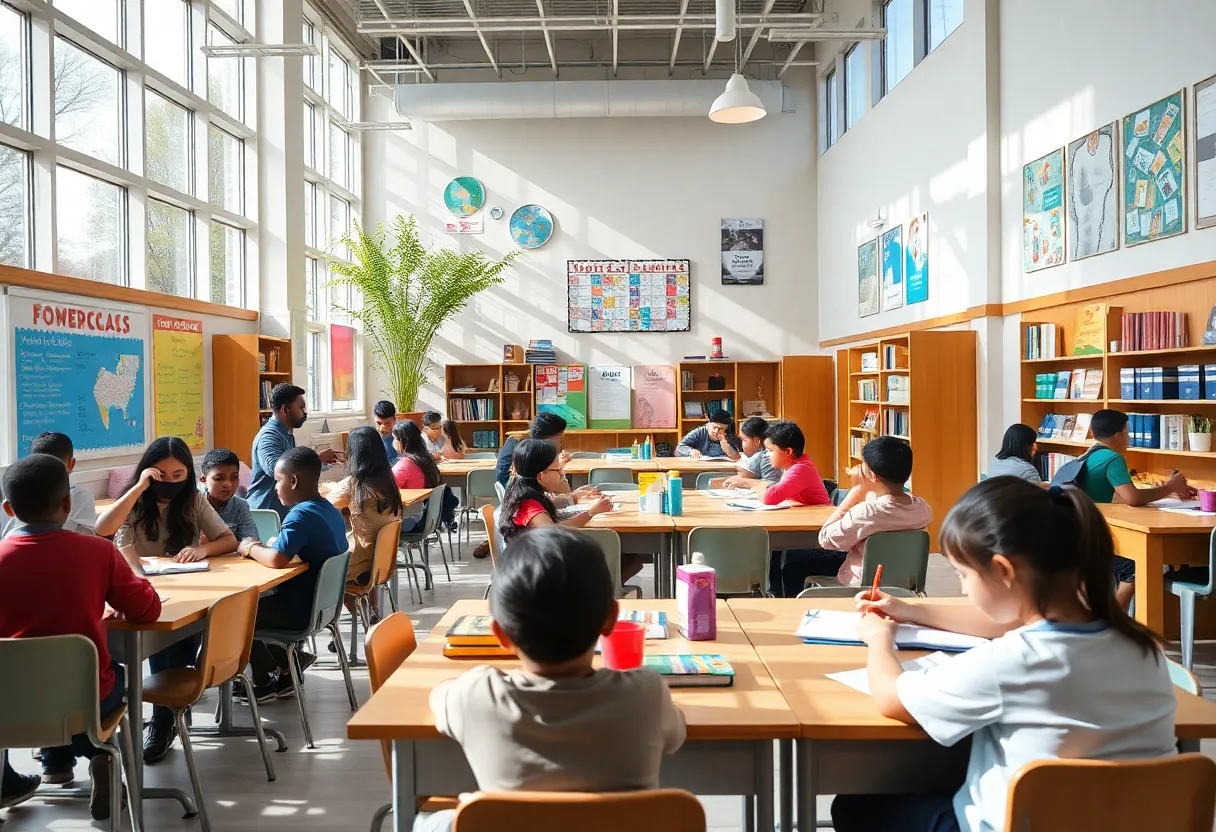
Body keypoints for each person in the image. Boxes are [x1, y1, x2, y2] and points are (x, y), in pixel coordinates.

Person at [832, 477, 1176, 832]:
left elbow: (891, 698)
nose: (962, 588)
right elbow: (1008, 624)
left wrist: (879, 640)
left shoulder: (1011, 661)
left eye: (963, 575)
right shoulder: (1142, 648)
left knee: (855, 806)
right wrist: (913, 611)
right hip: (1127, 821)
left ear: (1003, 571)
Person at [421, 527, 685, 832]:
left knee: (433, 823)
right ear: (611, 619)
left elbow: (439, 695)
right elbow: (676, 732)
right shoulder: (647, 695)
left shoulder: (475, 695)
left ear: (500, 635)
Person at [0, 454, 161, 818]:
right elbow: (147, 610)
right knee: (113, 675)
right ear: (68, 503)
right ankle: (102, 755)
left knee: (33, 679)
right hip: (84, 700)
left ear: (9, 509)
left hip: (7, 704)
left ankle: (54, 764)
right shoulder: (98, 552)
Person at [95, 437, 238, 763]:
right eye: (161, 474)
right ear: (147, 471)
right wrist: (139, 487)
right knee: (157, 641)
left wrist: (203, 548)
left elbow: (228, 540)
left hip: (185, 591)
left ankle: (164, 718)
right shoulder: (136, 500)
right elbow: (104, 529)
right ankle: (166, 717)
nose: (170, 482)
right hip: (139, 591)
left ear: (189, 474)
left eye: (178, 475)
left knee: (174, 643)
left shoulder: (192, 501)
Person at [237, 447, 348, 700]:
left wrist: (249, 547)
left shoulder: (300, 515)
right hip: (323, 607)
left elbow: (276, 559)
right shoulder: (328, 510)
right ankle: (289, 664)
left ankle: (266, 678)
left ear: (294, 480)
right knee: (252, 608)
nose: (275, 487)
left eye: (278, 480)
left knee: (237, 615)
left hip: (299, 609)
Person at [1076, 409, 1195, 608]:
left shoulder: (1088, 455)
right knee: (1137, 568)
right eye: (1127, 432)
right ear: (1118, 436)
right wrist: (1169, 487)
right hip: (1091, 541)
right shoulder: (1112, 458)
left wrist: (1167, 492)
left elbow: (1116, 496)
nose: (1129, 437)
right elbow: (1133, 498)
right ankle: (1111, 622)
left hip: (1078, 534)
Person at [815, 436, 932, 588]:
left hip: (861, 587)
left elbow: (825, 539)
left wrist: (854, 494)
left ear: (872, 475)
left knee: (793, 563)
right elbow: (890, 511)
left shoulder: (866, 513)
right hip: (905, 586)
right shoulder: (922, 508)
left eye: (863, 464)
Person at [497, 439, 615, 546]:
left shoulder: (522, 492)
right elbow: (553, 531)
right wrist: (591, 512)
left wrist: (576, 496)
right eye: (558, 469)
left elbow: (553, 501)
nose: (561, 472)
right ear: (540, 476)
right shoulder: (529, 506)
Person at [249, 383, 341, 519]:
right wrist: (316, 459)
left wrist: (320, 461)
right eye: (301, 407)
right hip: (267, 512)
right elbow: (277, 470)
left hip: (283, 510)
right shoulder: (269, 436)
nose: (305, 412)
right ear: (285, 409)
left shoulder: (286, 433)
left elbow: (295, 465)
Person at [326, 426, 402, 589]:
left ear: (354, 454)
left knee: (314, 570)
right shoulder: (389, 481)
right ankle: (369, 610)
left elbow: (324, 505)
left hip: (358, 563)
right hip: (381, 561)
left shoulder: (354, 484)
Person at [759, 421, 831, 506]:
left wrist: (755, 484)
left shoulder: (801, 469)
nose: (767, 455)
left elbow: (769, 498)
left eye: (770, 450)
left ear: (788, 451)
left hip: (819, 516)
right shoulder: (794, 465)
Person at [391, 420, 443, 533]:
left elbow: (388, 489)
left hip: (406, 520)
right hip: (423, 518)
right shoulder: (426, 460)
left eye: (395, 439)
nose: (393, 442)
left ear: (403, 441)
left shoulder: (406, 464)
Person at [200, 448, 259, 541]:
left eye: (234, 477)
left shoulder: (240, 506)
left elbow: (250, 541)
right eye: (219, 478)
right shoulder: (195, 505)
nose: (228, 484)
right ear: (204, 480)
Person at [722, 416, 780, 486]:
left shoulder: (766, 457)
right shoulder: (757, 454)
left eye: (744, 440)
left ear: (757, 441)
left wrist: (744, 482)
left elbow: (772, 485)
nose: (742, 445)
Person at [675, 409, 741, 459]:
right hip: (700, 468)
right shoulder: (699, 432)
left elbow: (736, 457)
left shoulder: (729, 435)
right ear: (708, 424)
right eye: (714, 427)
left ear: (726, 428)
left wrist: (723, 442)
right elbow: (679, 447)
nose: (716, 431)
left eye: (720, 429)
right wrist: (691, 451)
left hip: (723, 469)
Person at [372, 400, 399, 465]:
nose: (382, 428)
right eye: (379, 423)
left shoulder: (402, 439)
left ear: (395, 419)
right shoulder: (370, 438)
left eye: (387, 423)